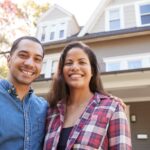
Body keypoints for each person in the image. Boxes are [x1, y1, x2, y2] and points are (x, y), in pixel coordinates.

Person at [43, 41, 132, 150]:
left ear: (92, 71)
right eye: (69, 63)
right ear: (62, 71)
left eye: (82, 62)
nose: (75, 67)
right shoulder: (51, 112)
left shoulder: (112, 108)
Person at [0, 36, 48, 150]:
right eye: (23, 55)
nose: (30, 64)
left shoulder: (44, 108)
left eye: (37, 59)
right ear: (9, 59)